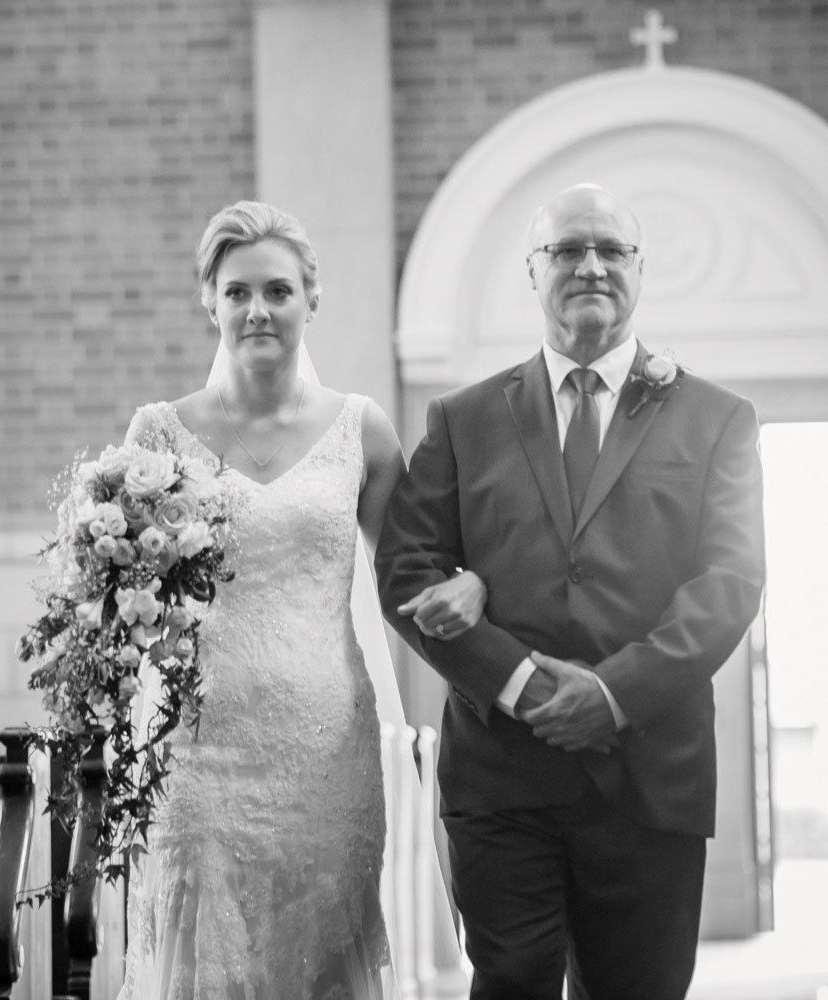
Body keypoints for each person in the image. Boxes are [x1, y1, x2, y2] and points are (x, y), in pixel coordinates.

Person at [375, 183, 765, 999]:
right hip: (502, 777)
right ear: (532, 271)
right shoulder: (464, 419)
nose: (590, 265)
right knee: (511, 982)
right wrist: (520, 683)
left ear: (639, 269)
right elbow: (405, 568)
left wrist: (613, 694)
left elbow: (729, 582)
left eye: (611, 249)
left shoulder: (717, 418)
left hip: (651, 770)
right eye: (566, 250)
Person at [116, 201, 478, 998]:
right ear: (208, 299)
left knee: (320, 959)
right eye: (238, 291)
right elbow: (125, 603)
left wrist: (478, 592)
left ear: (311, 299)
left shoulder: (362, 430)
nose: (258, 310)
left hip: (326, 749)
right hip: (198, 751)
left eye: (278, 290)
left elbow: (411, 579)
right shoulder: (157, 436)